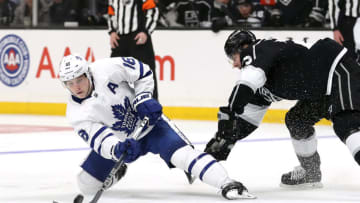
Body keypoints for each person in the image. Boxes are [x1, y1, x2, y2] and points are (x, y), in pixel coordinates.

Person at [58, 54, 256, 200]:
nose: (77, 87)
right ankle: (117, 171)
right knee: (86, 185)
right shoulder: (76, 113)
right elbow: (99, 138)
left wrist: (143, 97)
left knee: (182, 156)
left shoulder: (107, 68)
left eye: (80, 79)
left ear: (88, 73)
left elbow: (142, 71)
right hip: (122, 142)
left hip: (151, 128)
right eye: (70, 83)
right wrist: (116, 150)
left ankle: (228, 183)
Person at [204, 30, 360, 188]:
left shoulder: (258, 49)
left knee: (347, 122)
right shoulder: (262, 79)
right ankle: (310, 172)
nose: (234, 65)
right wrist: (223, 142)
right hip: (320, 91)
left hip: (338, 69)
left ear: (244, 47)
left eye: (233, 56)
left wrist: (231, 111)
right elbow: (245, 122)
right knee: (296, 120)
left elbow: (244, 86)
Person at [108, 0, 159, 100]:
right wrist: (112, 31)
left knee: (146, 75)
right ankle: (114, 107)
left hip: (138, 38)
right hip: (120, 39)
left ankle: (151, 109)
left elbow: (152, 11)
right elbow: (111, 13)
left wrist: (145, 32)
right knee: (113, 74)